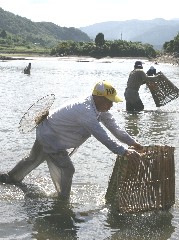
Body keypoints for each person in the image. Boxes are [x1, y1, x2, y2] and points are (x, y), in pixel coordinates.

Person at [0, 80, 142, 200]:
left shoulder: (98, 108)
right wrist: (123, 151)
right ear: (99, 98)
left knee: (32, 159)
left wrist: (132, 143)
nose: (111, 105)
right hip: (51, 138)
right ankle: (62, 200)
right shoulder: (85, 110)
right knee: (67, 169)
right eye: (110, 102)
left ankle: (9, 178)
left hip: (47, 130)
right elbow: (102, 136)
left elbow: (114, 127)